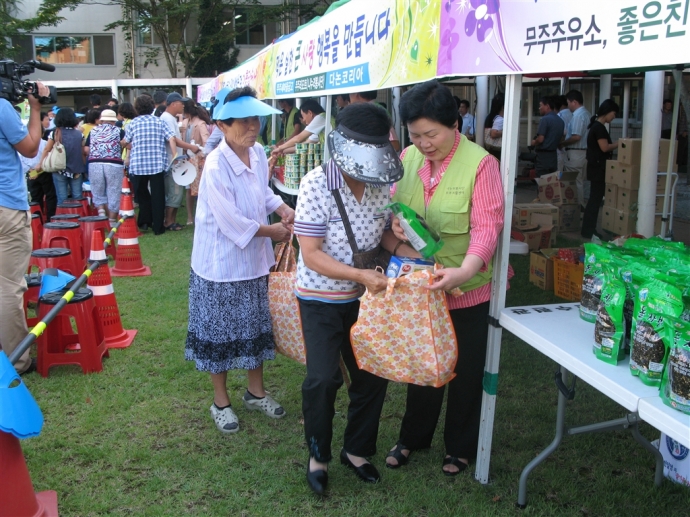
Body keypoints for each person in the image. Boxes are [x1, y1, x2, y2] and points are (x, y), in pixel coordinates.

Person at [382, 80, 507, 477]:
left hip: (467, 289)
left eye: (431, 134)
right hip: (422, 288)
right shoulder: (408, 157)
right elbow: (394, 206)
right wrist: (397, 226)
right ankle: (413, 437)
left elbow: (488, 227)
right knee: (423, 365)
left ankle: (459, 446)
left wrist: (466, 271)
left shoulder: (481, 164)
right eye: (415, 135)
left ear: (454, 123)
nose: (423, 143)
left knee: (466, 372)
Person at [295, 102, 404, 495]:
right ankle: (318, 455)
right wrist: (360, 275)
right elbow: (312, 253)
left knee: (372, 375)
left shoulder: (379, 184)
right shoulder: (314, 184)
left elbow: (381, 237)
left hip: (365, 300)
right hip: (320, 298)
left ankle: (357, 451)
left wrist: (408, 247)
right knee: (322, 380)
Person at [185, 86, 294, 437]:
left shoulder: (258, 152)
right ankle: (221, 402)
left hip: (253, 264)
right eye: (244, 122)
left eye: (256, 121)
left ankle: (255, 392)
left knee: (255, 329)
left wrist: (281, 206)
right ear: (222, 124)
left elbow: (261, 190)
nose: (252, 128)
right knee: (219, 336)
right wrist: (273, 231)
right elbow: (231, 223)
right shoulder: (215, 165)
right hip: (220, 267)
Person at [0, 81, 50, 375]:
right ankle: (18, 360)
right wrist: (35, 107)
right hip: (6, 206)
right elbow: (31, 148)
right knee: (8, 287)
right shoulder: (2, 108)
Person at [121, 94, 178, 235]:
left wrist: (130, 146)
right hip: (157, 164)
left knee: (142, 195)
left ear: (137, 108)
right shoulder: (159, 122)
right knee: (158, 196)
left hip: (139, 164)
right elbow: (171, 138)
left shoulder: (133, 123)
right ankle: (158, 227)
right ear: (152, 106)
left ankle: (144, 222)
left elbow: (125, 141)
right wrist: (175, 154)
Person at [160, 92, 202, 231]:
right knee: (175, 191)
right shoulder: (167, 118)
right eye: (180, 103)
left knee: (176, 191)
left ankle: (172, 220)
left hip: (175, 160)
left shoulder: (169, 118)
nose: (183, 105)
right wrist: (190, 147)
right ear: (173, 104)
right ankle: (169, 221)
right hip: (172, 161)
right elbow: (173, 139)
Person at [582, 100, 619, 239]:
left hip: (595, 167)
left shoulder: (596, 127)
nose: (614, 117)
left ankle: (588, 229)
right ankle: (589, 230)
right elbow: (605, 147)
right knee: (595, 200)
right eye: (614, 114)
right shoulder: (599, 128)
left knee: (594, 199)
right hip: (598, 168)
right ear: (607, 112)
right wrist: (619, 143)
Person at [85, 109, 125, 226]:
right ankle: (112, 221)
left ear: (101, 120)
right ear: (114, 121)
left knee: (98, 191)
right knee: (114, 191)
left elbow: (86, 149)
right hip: (113, 164)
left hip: (94, 163)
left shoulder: (93, 131)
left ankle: (101, 213)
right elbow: (127, 144)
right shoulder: (119, 131)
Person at [39, 108, 86, 205]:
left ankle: (63, 217)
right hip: (76, 169)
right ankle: (77, 217)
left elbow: (47, 149)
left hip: (59, 169)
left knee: (62, 198)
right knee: (77, 197)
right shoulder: (79, 134)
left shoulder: (55, 133)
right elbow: (82, 152)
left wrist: (40, 163)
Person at [180, 100, 211, 225]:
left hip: (197, 159)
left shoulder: (200, 123)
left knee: (199, 189)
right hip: (186, 158)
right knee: (188, 189)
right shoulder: (185, 122)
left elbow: (206, 141)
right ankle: (189, 216)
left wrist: (201, 151)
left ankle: (199, 215)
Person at [561, 90, 591, 210]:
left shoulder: (578, 116)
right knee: (581, 180)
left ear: (574, 102)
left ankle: (578, 206)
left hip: (576, 152)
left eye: (568, 103)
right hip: (583, 152)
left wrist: (563, 143)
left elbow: (576, 136)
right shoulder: (587, 114)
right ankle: (581, 204)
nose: (568, 106)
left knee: (574, 180)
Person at [530, 96, 564, 177]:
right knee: (551, 183)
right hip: (553, 155)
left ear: (547, 106)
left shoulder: (545, 119)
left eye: (541, 105)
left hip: (543, 156)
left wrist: (534, 142)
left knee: (542, 181)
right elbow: (561, 139)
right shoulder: (560, 121)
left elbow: (541, 139)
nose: (539, 108)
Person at [483, 93, 504, 160]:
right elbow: (493, 133)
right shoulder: (499, 119)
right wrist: (504, 132)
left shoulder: (490, 117)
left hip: (490, 148)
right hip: (497, 150)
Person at [556, 95, 572, 172]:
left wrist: (560, 144)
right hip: (572, 149)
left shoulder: (560, 115)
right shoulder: (573, 114)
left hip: (561, 148)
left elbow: (562, 132)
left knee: (558, 175)